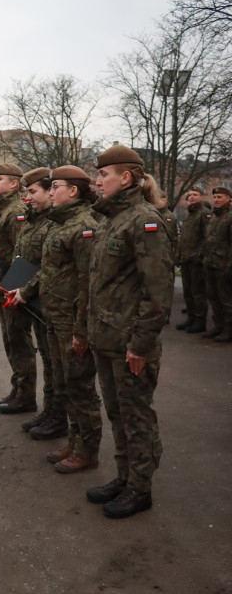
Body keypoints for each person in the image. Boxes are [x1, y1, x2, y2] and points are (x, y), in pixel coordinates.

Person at [86, 145, 173, 518]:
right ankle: (124, 477)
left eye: (103, 175)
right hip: (107, 339)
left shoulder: (145, 220)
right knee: (118, 413)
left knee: (136, 415)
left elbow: (158, 291)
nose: (97, 181)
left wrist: (141, 344)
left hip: (130, 343)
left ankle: (141, 487)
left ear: (125, 178)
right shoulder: (109, 221)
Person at [16, 167, 102, 468]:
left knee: (81, 387)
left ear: (73, 190)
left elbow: (87, 283)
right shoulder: (59, 223)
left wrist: (81, 329)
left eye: (55, 187)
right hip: (53, 315)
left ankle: (87, 451)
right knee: (65, 381)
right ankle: (75, 442)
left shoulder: (84, 226)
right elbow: (48, 270)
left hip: (71, 320)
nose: (51, 192)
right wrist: (26, 290)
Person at [8, 167, 65, 439]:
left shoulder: (53, 222)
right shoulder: (33, 220)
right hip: (34, 295)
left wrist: (26, 290)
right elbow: (25, 257)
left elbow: (48, 265)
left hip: (45, 296)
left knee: (55, 361)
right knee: (46, 355)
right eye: (26, 192)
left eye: (33, 192)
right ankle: (50, 410)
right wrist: (12, 283)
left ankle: (57, 415)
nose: (27, 198)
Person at [0, 164, 37, 414]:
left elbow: (23, 254)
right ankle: (18, 388)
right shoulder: (1, 210)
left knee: (18, 339)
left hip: (12, 286)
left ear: (14, 184)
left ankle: (26, 395)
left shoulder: (16, 210)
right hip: (2, 283)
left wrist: (15, 288)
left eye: (0, 179)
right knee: (10, 339)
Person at [176, 187, 212, 333]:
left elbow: (207, 238)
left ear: (201, 197)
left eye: (195, 195)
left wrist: (199, 256)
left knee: (198, 293)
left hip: (196, 261)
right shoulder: (189, 214)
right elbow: (183, 238)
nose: (191, 197)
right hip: (186, 259)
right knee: (188, 292)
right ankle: (191, 318)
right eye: (189, 195)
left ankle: (200, 321)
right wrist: (179, 255)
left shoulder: (204, 214)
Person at [203, 186, 232, 341]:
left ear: (229, 199)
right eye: (215, 197)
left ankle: (229, 329)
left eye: (220, 197)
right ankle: (218, 326)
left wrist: (229, 266)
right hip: (211, 263)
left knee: (226, 299)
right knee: (213, 297)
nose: (216, 200)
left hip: (224, 266)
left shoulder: (230, 217)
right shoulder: (215, 217)